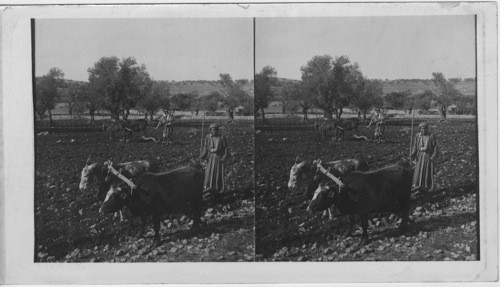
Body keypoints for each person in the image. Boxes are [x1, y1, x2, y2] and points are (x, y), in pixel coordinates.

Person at [200, 123, 229, 196]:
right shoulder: (207, 137)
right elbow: (205, 147)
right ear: (210, 130)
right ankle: (208, 188)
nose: (214, 131)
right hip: (210, 157)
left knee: (217, 172)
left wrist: (224, 157)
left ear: (217, 130)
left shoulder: (221, 137)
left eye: (215, 130)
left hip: (218, 157)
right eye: (212, 130)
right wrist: (203, 156)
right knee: (209, 172)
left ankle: (217, 188)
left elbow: (226, 148)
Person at [411, 122, 439, 193]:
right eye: (422, 129)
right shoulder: (417, 135)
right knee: (418, 171)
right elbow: (415, 146)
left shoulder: (431, 136)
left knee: (426, 171)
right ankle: (417, 187)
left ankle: (426, 187)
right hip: (419, 156)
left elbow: (435, 147)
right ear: (420, 129)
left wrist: (433, 156)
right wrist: (413, 154)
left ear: (427, 129)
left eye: (425, 129)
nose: (424, 130)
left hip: (427, 156)